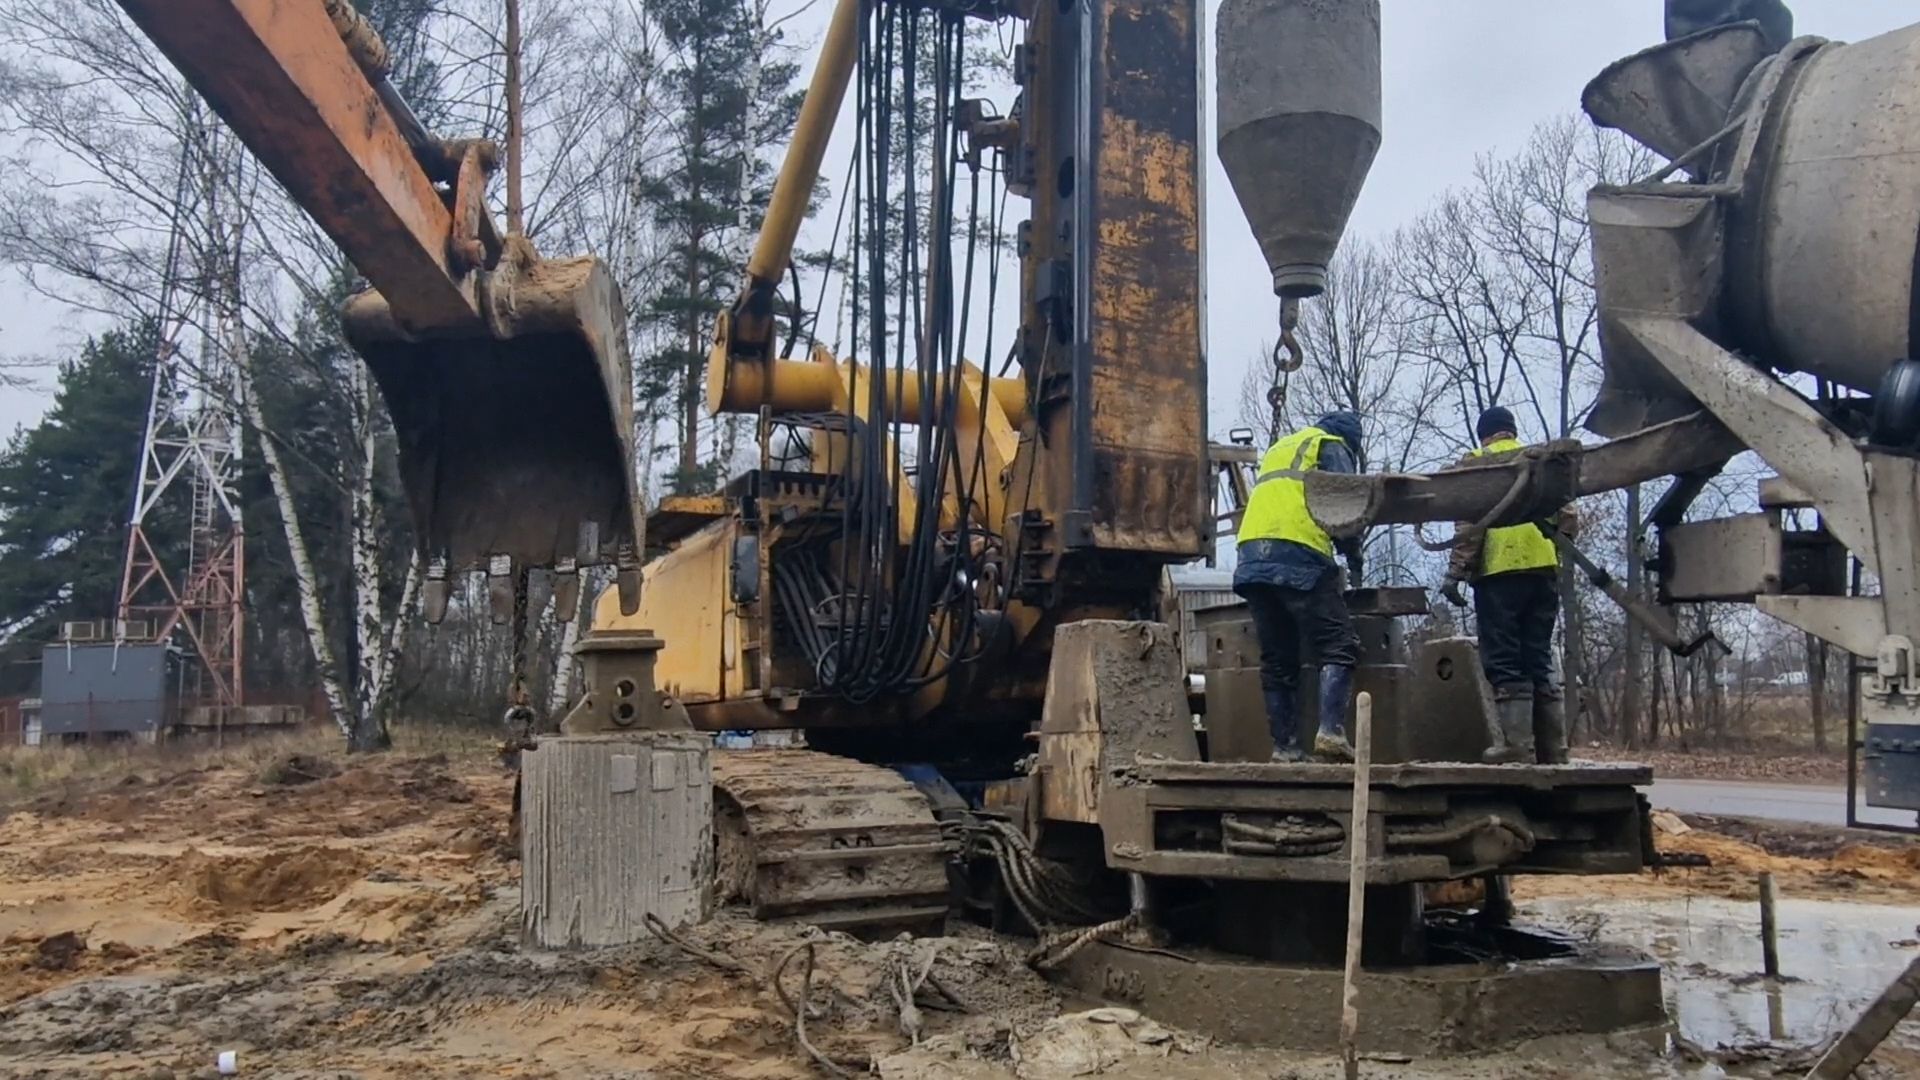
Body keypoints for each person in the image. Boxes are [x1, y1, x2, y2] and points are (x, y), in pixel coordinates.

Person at [1439, 407, 1577, 765]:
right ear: (1512, 431)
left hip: (1499, 570)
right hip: (1543, 567)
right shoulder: (1541, 460)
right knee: (1539, 654)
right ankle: (1554, 750)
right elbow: (1569, 516)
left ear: (1483, 434)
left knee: (1504, 657)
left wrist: (1456, 573)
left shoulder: (1478, 463)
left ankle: (1516, 746)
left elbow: (1470, 526)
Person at [1233, 411, 1365, 763]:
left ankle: (1285, 749)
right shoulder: (1332, 446)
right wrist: (1354, 557)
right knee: (1339, 645)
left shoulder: (1283, 447)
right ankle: (1331, 734)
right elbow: (1344, 508)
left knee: (1277, 658)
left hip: (1251, 556)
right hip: (1298, 551)